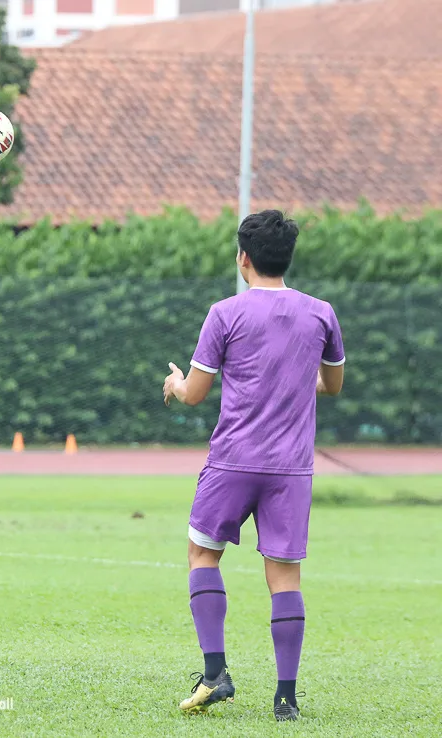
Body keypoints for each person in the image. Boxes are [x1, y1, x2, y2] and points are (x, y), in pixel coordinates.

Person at [162, 210, 345, 721]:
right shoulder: (321, 313)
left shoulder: (225, 313)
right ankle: (285, 699)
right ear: (288, 257)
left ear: (243, 258)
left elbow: (195, 394)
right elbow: (331, 385)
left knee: (203, 554)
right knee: (285, 576)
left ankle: (216, 672)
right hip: (291, 468)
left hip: (233, 461)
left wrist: (174, 384)